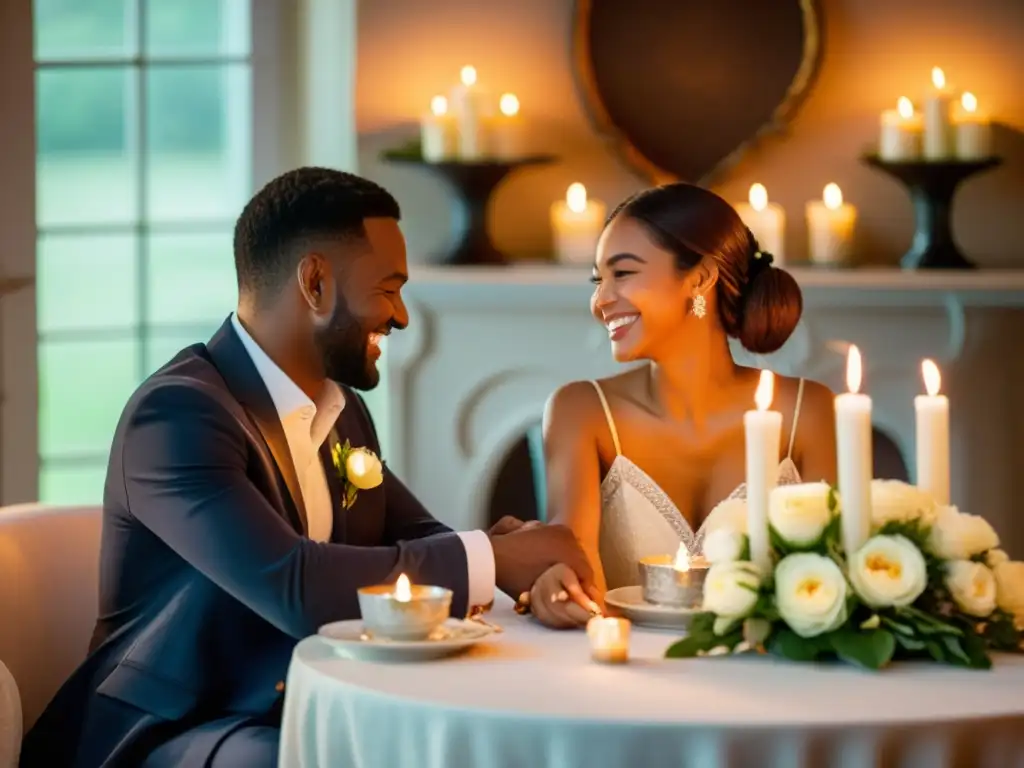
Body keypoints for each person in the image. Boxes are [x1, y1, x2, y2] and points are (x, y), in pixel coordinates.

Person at [20, 167, 593, 767]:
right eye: (388, 287)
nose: (400, 316)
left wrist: (516, 566)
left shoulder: (342, 411)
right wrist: (493, 559)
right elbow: (293, 584)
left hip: (303, 704)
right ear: (315, 282)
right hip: (174, 726)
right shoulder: (177, 417)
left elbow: (420, 536)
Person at [528, 183, 837, 628]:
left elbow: (833, 578)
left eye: (624, 273)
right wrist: (556, 583)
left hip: (770, 677)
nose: (600, 301)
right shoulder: (582, 411)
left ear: (700, 277)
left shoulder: (809, 410)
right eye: (599, 280)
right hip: (629, 675)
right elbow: (576, 569)